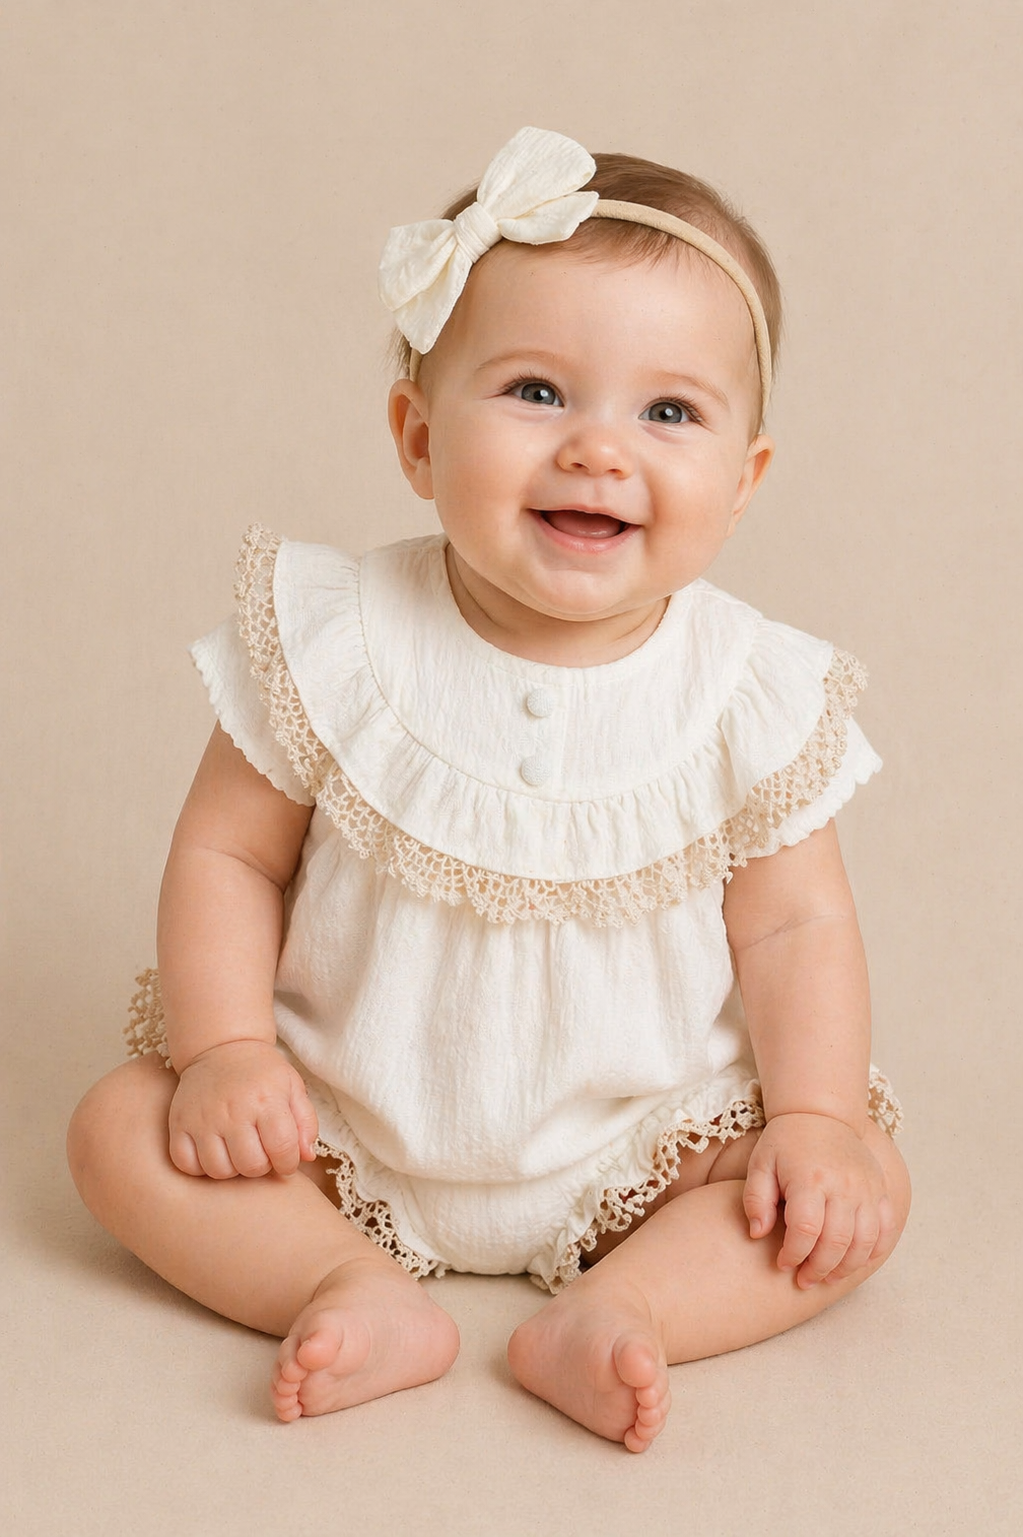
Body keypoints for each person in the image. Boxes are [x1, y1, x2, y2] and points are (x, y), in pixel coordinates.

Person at [67, 127, 910, 1454]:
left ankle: (619, 1308)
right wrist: (225, 1051)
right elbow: (229, 856)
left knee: (845, 1196)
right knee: (119, 1127)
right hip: (331, 1124)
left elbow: (795, 925)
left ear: (742, 481)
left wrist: (814, 1121)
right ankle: (338, 1280)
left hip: (641, 1144)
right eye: (533, 391)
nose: (596, 450)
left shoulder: (749, 694)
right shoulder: (333, 640)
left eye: (668, 412)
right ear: (414, 434)